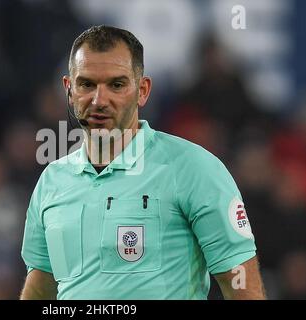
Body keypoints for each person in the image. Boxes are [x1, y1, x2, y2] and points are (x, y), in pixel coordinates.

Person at [20, 25, 266, 300]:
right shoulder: (52, 182)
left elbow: (242, 288)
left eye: (116, 84)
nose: (100, 100)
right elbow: (42, 287)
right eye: (87, 84)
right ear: (69, 89)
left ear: (143, 90)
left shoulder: (194, 169)